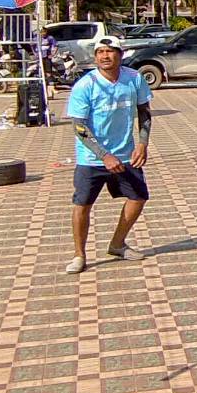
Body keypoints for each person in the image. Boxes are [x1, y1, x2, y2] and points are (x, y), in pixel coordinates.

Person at [64, 36, 153, 275]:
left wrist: (142, 144)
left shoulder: (134, 79)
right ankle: (79, 255)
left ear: (120, 55)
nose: (105, 56)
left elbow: (144, 113)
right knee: (82, 204)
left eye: (110, 51)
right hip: (91, 158)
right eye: (100, 52)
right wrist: (104, 156)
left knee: (138, 197)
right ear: (95, 57)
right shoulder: (85, 85)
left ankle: (117, 244)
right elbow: (79, 127)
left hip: (125, 154)